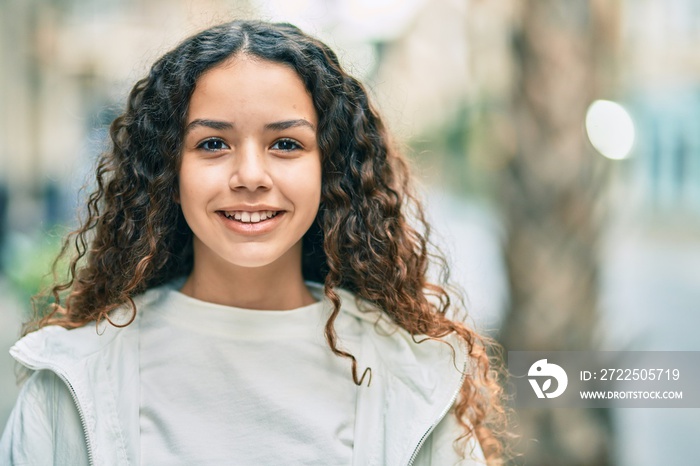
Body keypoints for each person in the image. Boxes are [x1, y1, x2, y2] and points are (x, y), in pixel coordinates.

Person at [0, 20, 506, 465]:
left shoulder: (415, 375)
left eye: (286, 144)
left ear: (327, 169)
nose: (249, 175)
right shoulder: (71, 379)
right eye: (212, 143)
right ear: (168, 170)